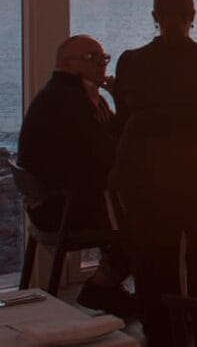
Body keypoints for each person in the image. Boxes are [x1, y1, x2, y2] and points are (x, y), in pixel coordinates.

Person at [110, 0, 197, 347]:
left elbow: (123, 119)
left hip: (147, 176)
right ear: (193, 16)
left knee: (152, 264)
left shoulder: (131, 62)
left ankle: (162, 334)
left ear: (154, 17)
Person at [17, 35, 132, 316]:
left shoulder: (77, 95)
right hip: (64, 208)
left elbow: (112, 140)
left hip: (53, 203)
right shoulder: (69, 101)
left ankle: (107, 287)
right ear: (66, 64)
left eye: (103, 58)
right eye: (92, 59)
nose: (101, 65)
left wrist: (118, 100)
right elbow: (107, 153)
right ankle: (102, 287)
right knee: (151, 221)